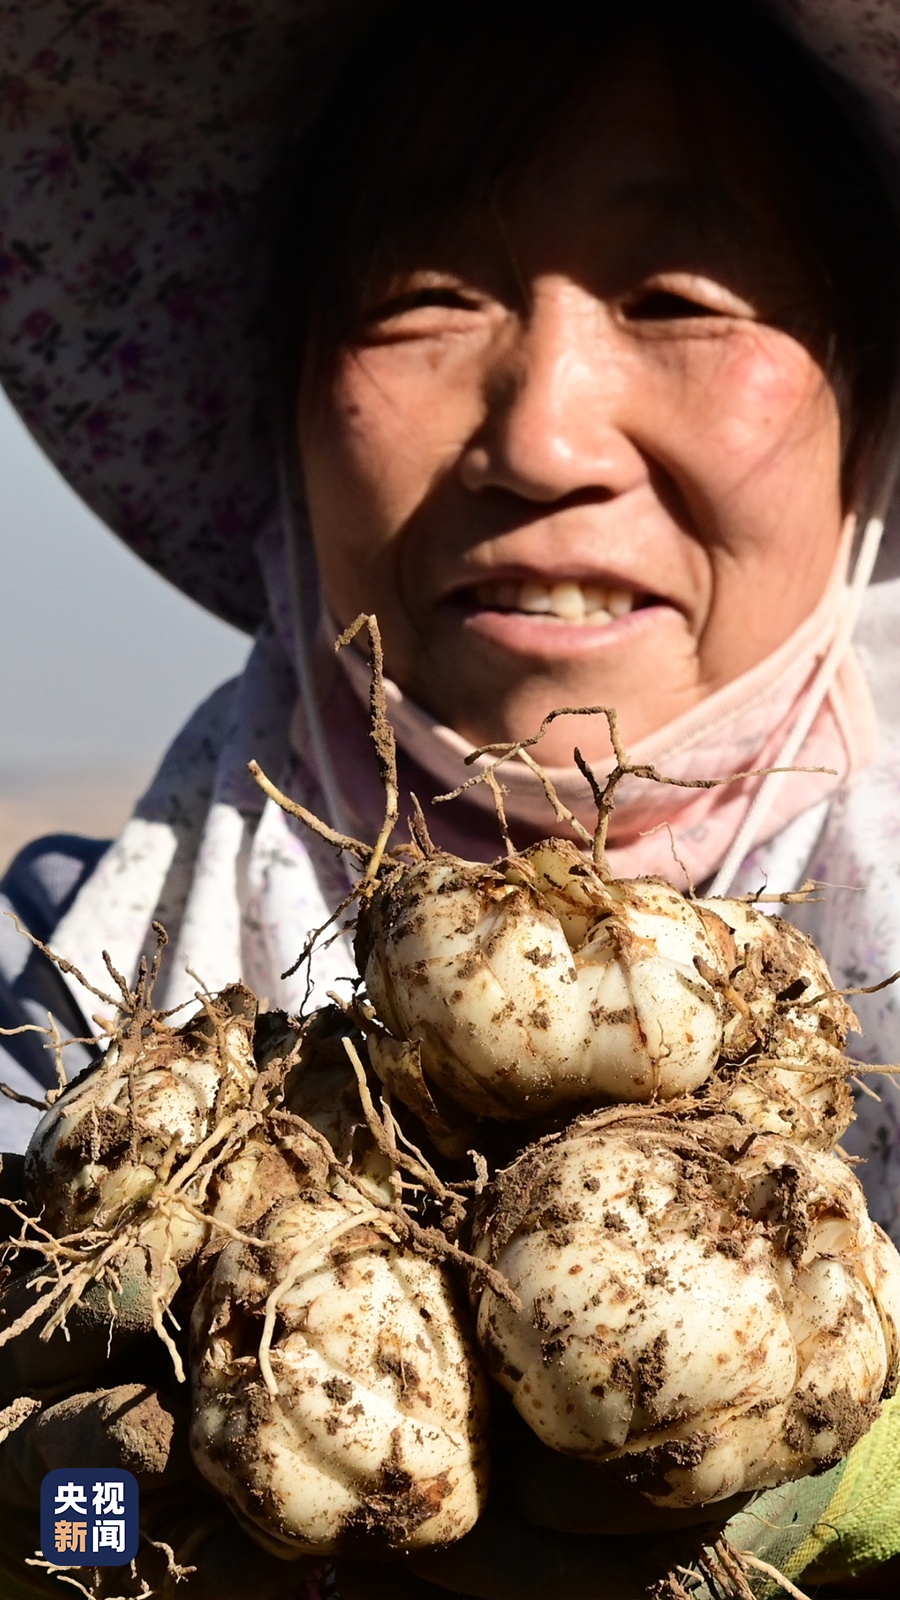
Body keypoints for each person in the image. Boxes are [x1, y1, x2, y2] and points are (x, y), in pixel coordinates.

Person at [3, 0, 900, 1593]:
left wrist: (867, 1502)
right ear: (287, 401)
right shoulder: (53, 994)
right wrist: (74, 1536)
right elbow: (66, 1507)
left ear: (877, 404)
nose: (543, 440)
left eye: (678, 298)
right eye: (425, 300)